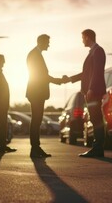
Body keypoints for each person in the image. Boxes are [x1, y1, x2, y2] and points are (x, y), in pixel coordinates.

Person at [63, 29, 106, 157]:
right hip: (91, 91)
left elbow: (97, 72)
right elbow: (86, 74)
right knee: (94, 118)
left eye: (82, 38)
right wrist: (70, 79)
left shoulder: (98, 51)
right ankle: (97, 148)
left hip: (94, 92)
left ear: (87, 37)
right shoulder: (93, 52)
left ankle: (98, 149)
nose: (82, 40)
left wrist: (91, 89)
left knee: (96, 119)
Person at [26, 34, 62, 158]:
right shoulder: (34, 55)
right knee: (36, 121)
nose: (49, 45)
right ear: (41, 42)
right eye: (47, 42)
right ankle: (35, 149)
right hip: (36, 93)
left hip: (37, 92)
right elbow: (41, 75)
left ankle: (36, 148)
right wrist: (57, 80)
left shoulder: (36, 54)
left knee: (37, 120)